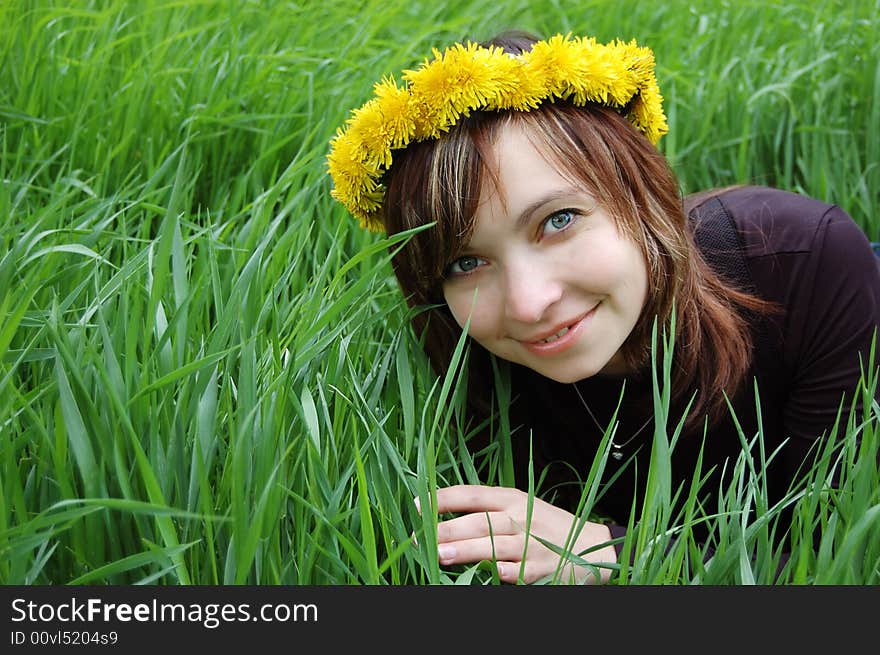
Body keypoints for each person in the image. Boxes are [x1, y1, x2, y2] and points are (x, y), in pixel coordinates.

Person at [326, 30, 880, 583]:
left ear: (641, 191)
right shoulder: (455, 357)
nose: (528, 303)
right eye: (465, 263)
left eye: (558, 221)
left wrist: (608, 554)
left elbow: (846, 563)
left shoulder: (806, 264)